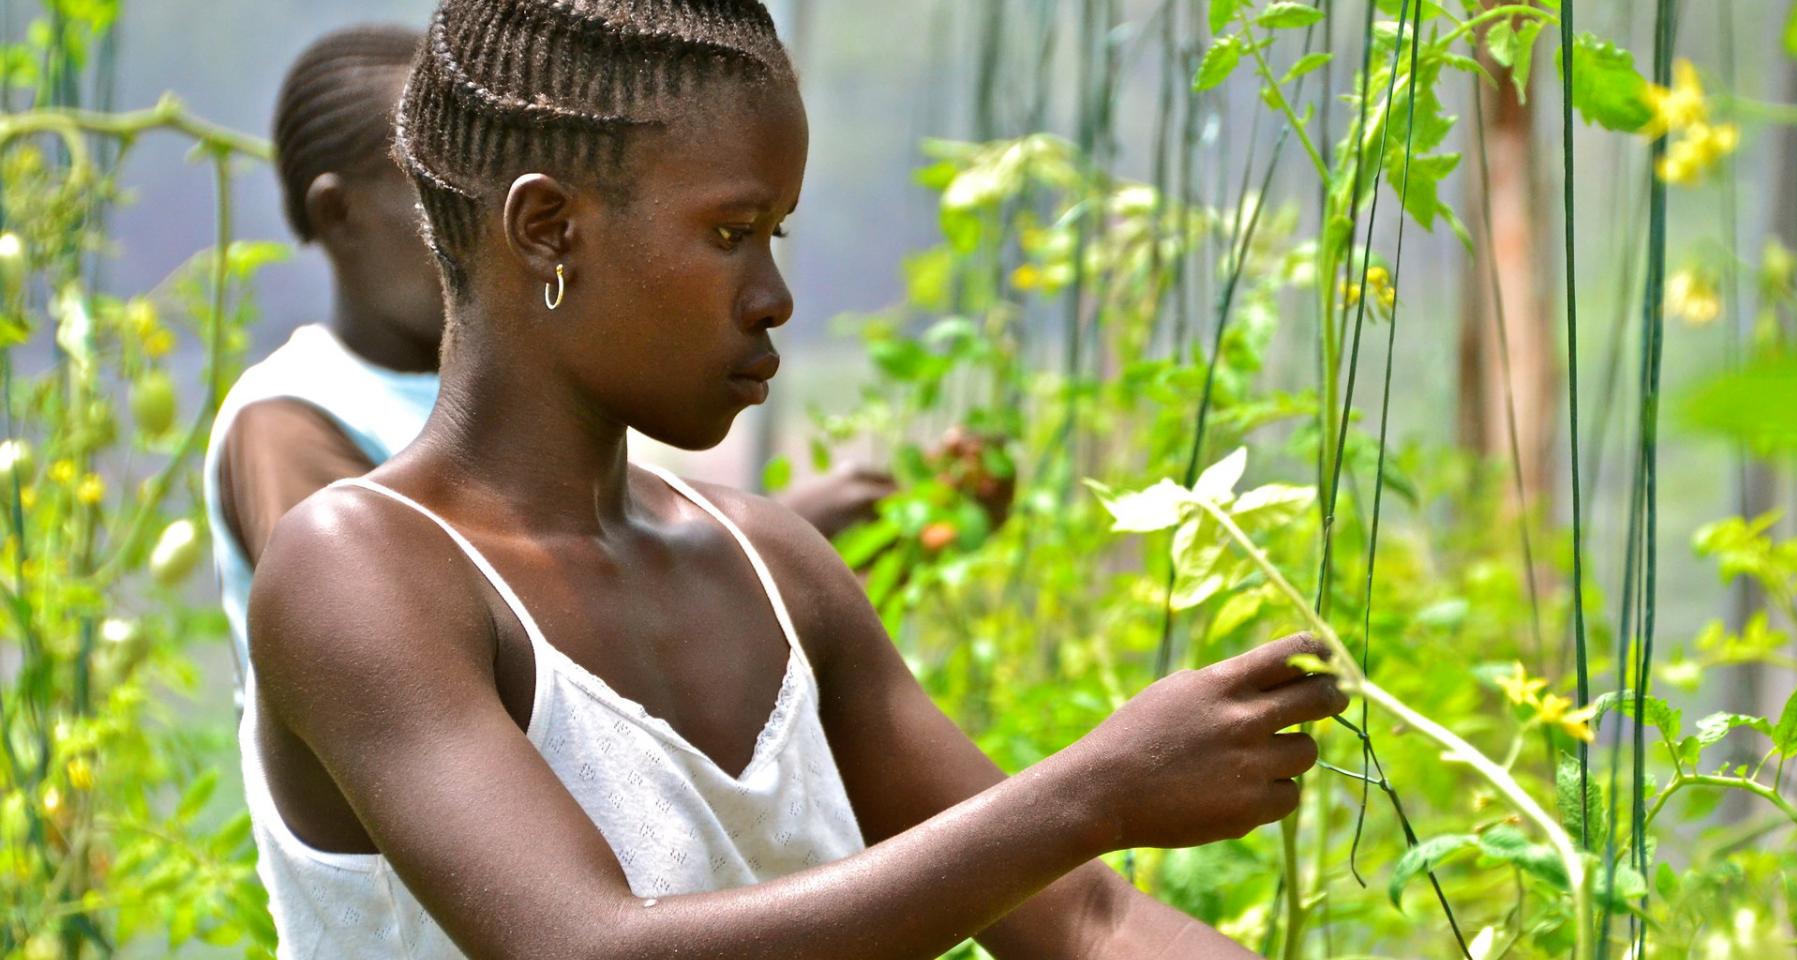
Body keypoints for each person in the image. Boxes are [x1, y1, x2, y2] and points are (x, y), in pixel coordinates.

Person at [242, 2, 1348, 957]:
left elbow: (1088, 927)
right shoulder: (362, 572)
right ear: (547, 230)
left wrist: (1085, 818)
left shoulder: (774, 568)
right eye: (730, 231)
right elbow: (583, 948)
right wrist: (1090, 793)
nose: (773, 294)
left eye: (775, 232)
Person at [204, 24, 892, 675]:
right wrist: (774, 544)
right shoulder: (292, 415)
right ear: (338, 213)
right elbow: (405, 638)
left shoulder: (534, 399)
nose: (472, 200)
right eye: (430, 185)